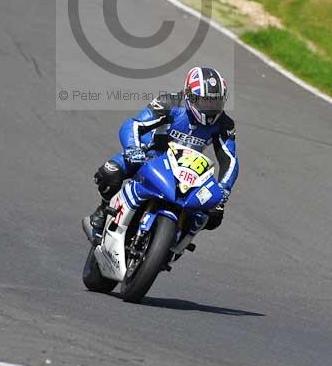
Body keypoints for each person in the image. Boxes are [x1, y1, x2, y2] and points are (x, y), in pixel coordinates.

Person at [83, 66, 238, 242]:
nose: (210, 108)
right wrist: (133, 148)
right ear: (188, 95)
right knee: (109, 173)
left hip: (190, 173)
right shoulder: (169, 103)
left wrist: (224, 188)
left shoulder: (224, 124)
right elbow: (134, 124)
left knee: (214, 214)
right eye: (204, 101)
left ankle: (176, 243)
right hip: (151, 156)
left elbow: (230, 159)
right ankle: (103, 211)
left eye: (215, 102)